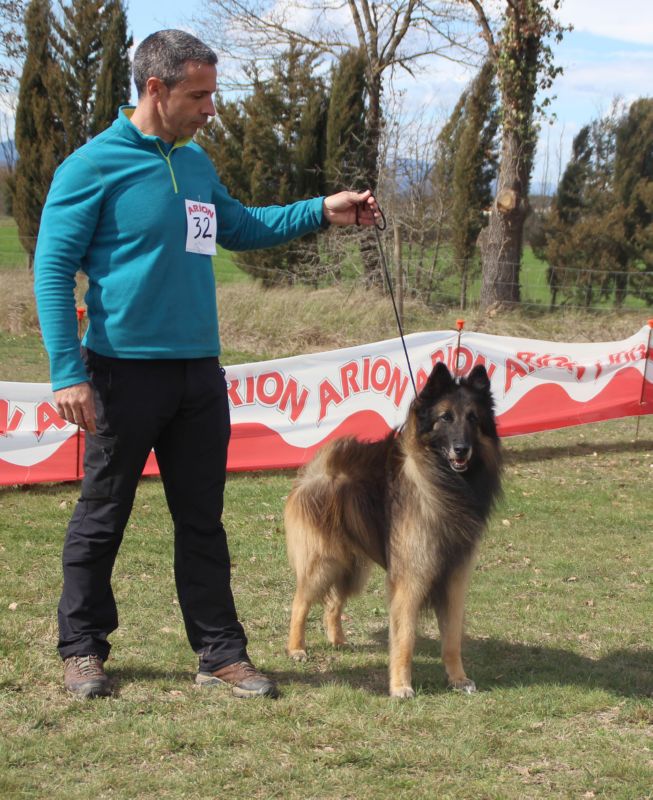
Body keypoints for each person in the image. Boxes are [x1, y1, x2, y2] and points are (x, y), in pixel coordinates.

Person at [34, 29, 380, 700]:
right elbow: (51, 270)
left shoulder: (193, 165)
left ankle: (220, 654)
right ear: (155, 90)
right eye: (200, 95)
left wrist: (321, 210)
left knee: (202, 520)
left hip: (198, 377)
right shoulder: (90, 166)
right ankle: (81, 649)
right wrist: (65, 370)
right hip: (118, 374)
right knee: (103, 513)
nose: (210, 109)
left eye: (212, 94)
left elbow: (241, 228)